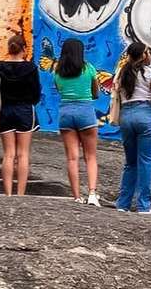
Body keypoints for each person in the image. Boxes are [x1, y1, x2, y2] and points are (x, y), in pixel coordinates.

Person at [115, 43, 151, 213]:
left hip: (126, 116)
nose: (150, 54)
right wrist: (150, 97)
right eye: (148, 52)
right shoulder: (150, 72)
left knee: (130, 163)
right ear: (144, 55)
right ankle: (144, 206)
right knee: (146, 161)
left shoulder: (122, 74)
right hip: (144, 114)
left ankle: (123, 204)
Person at [53, 38, 100, 206]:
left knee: (72, 158)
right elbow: (96, 93)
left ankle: (77, 197)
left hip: (66, 114)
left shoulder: (57, 72)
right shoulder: (89, 69)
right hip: (85, 112)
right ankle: (93, 194)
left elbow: (60, 91)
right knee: (90, 156)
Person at [0, 34, 41, 196]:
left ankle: (8, 193)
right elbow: (36, 93)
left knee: (8, 154)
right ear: (24, 49)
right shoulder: (31, 68)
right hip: (24, 110)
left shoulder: (0, 67)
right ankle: (20, 194)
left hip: (5, 111)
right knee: (23, 154)